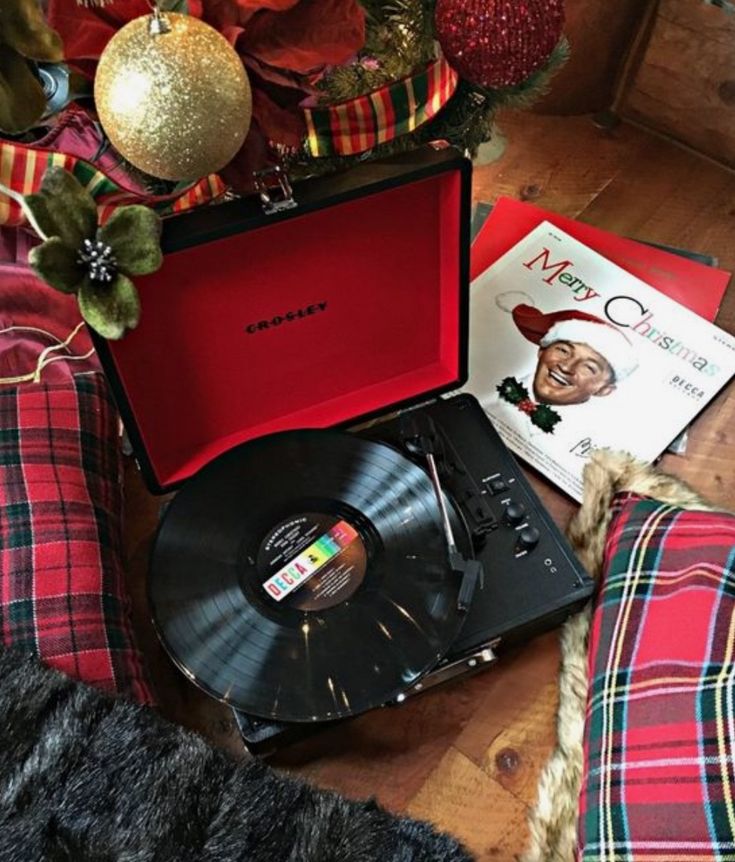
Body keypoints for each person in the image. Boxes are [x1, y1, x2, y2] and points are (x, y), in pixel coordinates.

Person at [492, 303, 638, 435]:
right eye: (563, 351)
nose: (566, 366)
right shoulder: (493, 390)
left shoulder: (589, 436)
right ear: (542, 351)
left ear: (604, 390)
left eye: (588, 367)